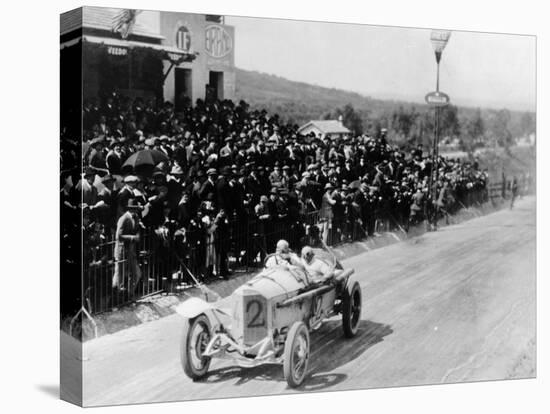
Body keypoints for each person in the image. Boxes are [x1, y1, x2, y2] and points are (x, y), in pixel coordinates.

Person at [112, 198, 143, 293]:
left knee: (136, 273)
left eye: (136, 209)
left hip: (131, 250)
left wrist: (139, 230)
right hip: (122, 250)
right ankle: (114, 297)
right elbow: (119, 236)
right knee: (119, 275)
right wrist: (133, 238)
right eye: (134, 208)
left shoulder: (136, 218)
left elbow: (136, 230)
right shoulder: (123, 218)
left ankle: (129, 294)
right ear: (129, 209)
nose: (136, 211)